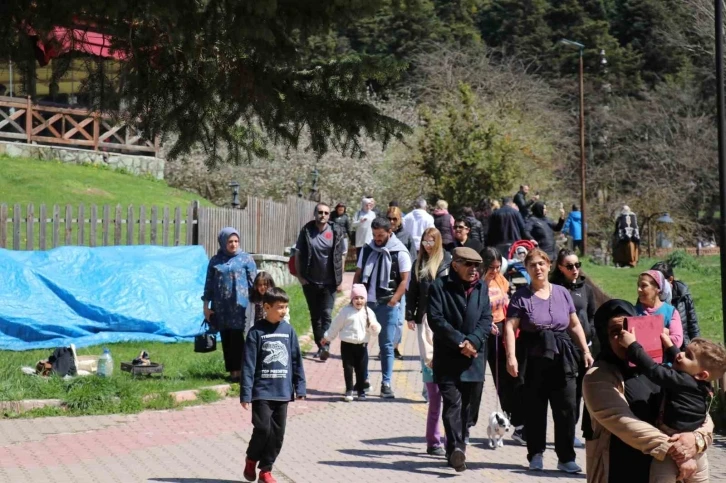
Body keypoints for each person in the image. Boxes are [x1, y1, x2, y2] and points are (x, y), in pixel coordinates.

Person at [582, 299, 714, 483]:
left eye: (628, 328)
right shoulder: (598, 377)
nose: (624, 337)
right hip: (621, 470)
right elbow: (625, 423)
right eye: (615, 332)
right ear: (604, 337)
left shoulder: (657, 369)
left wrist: (696, 439)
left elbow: (696, 408)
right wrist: (679, 452)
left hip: (664, 470)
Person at [504, 248, 593, 473]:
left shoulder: (562, 292)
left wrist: (585, 349)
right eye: (533, 265)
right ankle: (536, 454)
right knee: (535, 407)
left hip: (563, 354)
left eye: (541, 264)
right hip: (533, 355)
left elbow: (574, 324)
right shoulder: (520, 296)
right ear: (527, 269)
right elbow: (510, 326)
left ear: (549, 265)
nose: (538, 268)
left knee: (567, 407)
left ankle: (566, 457)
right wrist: (511, 357)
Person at [617, 330, 725, 482]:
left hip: (671, 446)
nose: (680, 354)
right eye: (684, 351)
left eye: (688, 356)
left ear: (701, 375)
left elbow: (654, 370)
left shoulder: (683, 381)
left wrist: (632, 346)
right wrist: (669, 345)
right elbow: (685, 362)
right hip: (696, 450)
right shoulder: (702, 384)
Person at [427, 247, 492, 472]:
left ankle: (458, 446)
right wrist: (460, 342)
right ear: (455, 265)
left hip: (474, 357)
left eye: (477, 266)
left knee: (469, 408)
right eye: (468, 265)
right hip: (448, 357)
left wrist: (472, 341)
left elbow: (486, 319)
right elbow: (436, 320)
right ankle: (456, 449)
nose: (474, 270)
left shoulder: (483, 288)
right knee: (453, 403)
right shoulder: (439, 287)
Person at [241, 287, 306, 483]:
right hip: (261, 391)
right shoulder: (256, 332)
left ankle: (266, 471)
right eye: (280, 307)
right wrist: (246, 393)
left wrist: (300, 386)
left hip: (283, 392)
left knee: (277, 435)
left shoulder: (288, 331)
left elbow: (296, 359)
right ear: (267, 307)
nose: (284, 311)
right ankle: (251, 459)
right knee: (262, 429)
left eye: (286, 307)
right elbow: (248, 365)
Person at [354, 217, 412, 399]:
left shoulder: (400, 252)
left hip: (387, 304)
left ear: (389, 232)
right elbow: (358, 273)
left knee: (386, 345)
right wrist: (355, 296)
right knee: (361, 342)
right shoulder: (367, 249)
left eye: (380, 235)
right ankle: (363, 380)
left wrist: (394, 300)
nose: (377, 239)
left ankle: (386, 383)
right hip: (367, 303)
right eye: (374, 235)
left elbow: (405, 280)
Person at [406, 227, 451, 457]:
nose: (427, 244)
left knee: (451, 392)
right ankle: (433, 440)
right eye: (424, 240)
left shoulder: (447, 262)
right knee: (434, 390)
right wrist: (410, 314)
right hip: (425, 324)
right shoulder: (419, 264)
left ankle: (454, 438)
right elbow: (412, 290)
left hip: (446, 325)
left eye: (431, 240)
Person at [550, 248, 597, 448]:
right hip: (564, 349)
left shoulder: (586, 288)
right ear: (560, 268)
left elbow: (592, 314)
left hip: (586, 348)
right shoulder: (554, 288)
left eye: (577, 265)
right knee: (568, 396)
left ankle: (580, 430)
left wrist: (591, 334)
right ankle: (567, 433)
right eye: (570, 266)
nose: (575, 269)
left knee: (585, 392)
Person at [202, 227, 257, 383]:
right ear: (223, 242)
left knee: (238, 338)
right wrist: (206, 306)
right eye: (230, 241)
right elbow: (209, 285)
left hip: (241, 307)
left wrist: (258, 304)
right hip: (221, 307)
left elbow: (255, 283)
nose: (233, 244)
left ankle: (241, 372)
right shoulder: (215, 260)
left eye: (236, 241)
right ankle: (232, 372)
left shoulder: (246, 259)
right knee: (226, 338)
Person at [295, 203, 346, 361]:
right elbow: (298, 254)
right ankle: (320, 346)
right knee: (315, 317)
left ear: (329, 215)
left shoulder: (336, 231)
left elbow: (341, 256)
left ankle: (325, 346)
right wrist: (300, 278)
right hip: (310, 281)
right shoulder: (306, 231)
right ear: (315, 214)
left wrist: (340, 279)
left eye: (325, 213)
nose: (322, 215)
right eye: (320, 212)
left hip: (329, 282)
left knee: (326, 315)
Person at [481, 248, 522, 441]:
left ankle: (517, 422)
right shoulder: (478, 282)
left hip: (501, 329)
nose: (495, 271)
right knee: (486, 380)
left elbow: (507, 301)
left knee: (507, 377)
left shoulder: (500, 279)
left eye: (498, 267)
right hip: (484, 330)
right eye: (491, 268)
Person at [321, 284, 381, 401]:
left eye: (361, 298)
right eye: (356, 298)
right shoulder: (345, 312)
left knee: (361, 369)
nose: (359, 301)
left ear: (365, 299)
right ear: (352, 299)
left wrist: (375, 328)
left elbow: (375, 329)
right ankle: (349, 390)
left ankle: (361, 391)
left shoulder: (368, 312)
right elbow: (335, 326)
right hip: (347, 345)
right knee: (348, 368)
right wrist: (327, 337)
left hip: (362, 346)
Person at [387, 206, 416, 360]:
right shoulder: (383, 235)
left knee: (399, 320)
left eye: (395, 218)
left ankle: (395, 347)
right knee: (385, 319)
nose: (392, 221)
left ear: (400, 220)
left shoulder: (406, 237)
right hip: (385, 284)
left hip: (402, 284)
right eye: (389, 218)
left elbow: (412, 260)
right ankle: (385, 346)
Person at [651, 261, 701, 348]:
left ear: (670, 279)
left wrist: (698, 347)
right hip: (658, 345)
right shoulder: (647, 297)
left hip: (682, 346)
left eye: (658, 281)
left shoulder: (683, 295)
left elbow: (692, 324)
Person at [635, 270, 683, 350]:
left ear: (657, 288)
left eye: (644, 285)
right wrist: (663, 332)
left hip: (665, 361)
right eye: (638, 286)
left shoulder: (670, 312)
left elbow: (676, 341)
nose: (639, 289)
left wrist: (643, 333)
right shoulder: (633, 311)